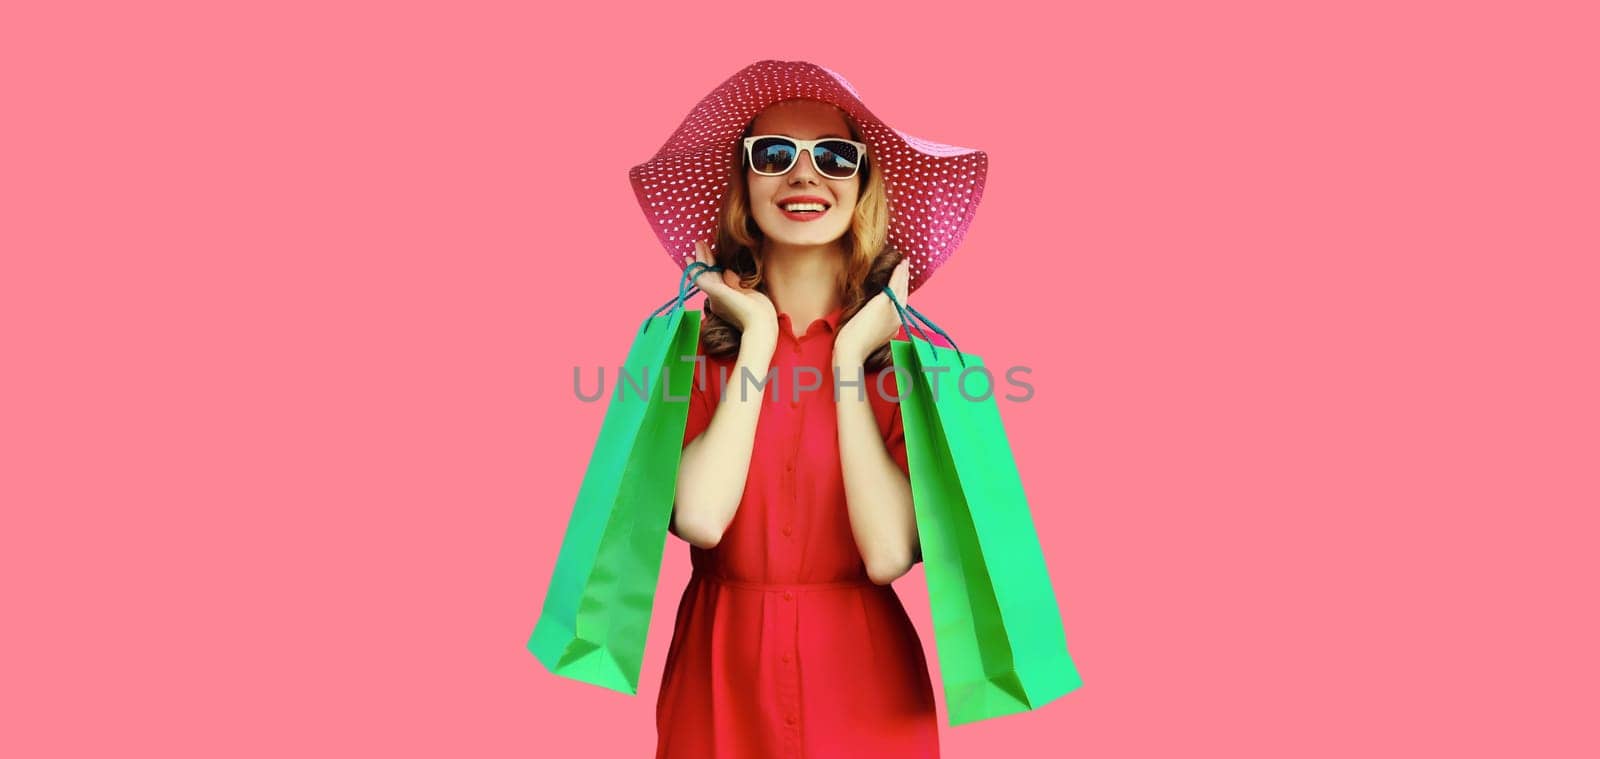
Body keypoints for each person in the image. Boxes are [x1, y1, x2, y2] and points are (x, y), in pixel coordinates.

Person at [628, 60, 988, 759]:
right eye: (772, 155)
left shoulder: (908, 369)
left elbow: (887, 554)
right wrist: (758, 336)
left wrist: (850, 359)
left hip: (864, 689)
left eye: (833, 156)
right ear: (744, 186)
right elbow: (700, 517)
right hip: (717, 682)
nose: (803, 176)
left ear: (861, 188)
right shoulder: (686, 358)